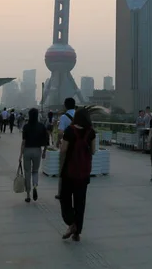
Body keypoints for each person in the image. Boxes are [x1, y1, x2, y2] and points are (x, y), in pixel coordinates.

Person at [59, 108, 96, 242]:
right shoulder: (91, 132)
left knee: (65, 198)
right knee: (80, 202)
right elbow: (93, 151)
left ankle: (71, 223)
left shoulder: (69, 130)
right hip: (84, 172)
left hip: (69, 171)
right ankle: (77, 233)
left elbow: (63, 149)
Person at [19, 108, 49, 203]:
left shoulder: (26, 127)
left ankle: (28, 194)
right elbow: (46, 140)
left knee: (27, 172)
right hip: (37, 151)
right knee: (35, 171)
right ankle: (35, 186)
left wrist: (20, 155)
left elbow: (23, 142)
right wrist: (44, 152)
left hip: (27, 151)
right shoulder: (41, 126)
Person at [55, 98, 77, 199]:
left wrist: (58, 141)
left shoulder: (64, 117)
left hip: (66, 146)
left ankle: (61, 193)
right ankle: (75, 191)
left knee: (63, 169)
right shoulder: (79, 116)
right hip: (78, 147)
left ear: (65, 106)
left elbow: (60, 132)